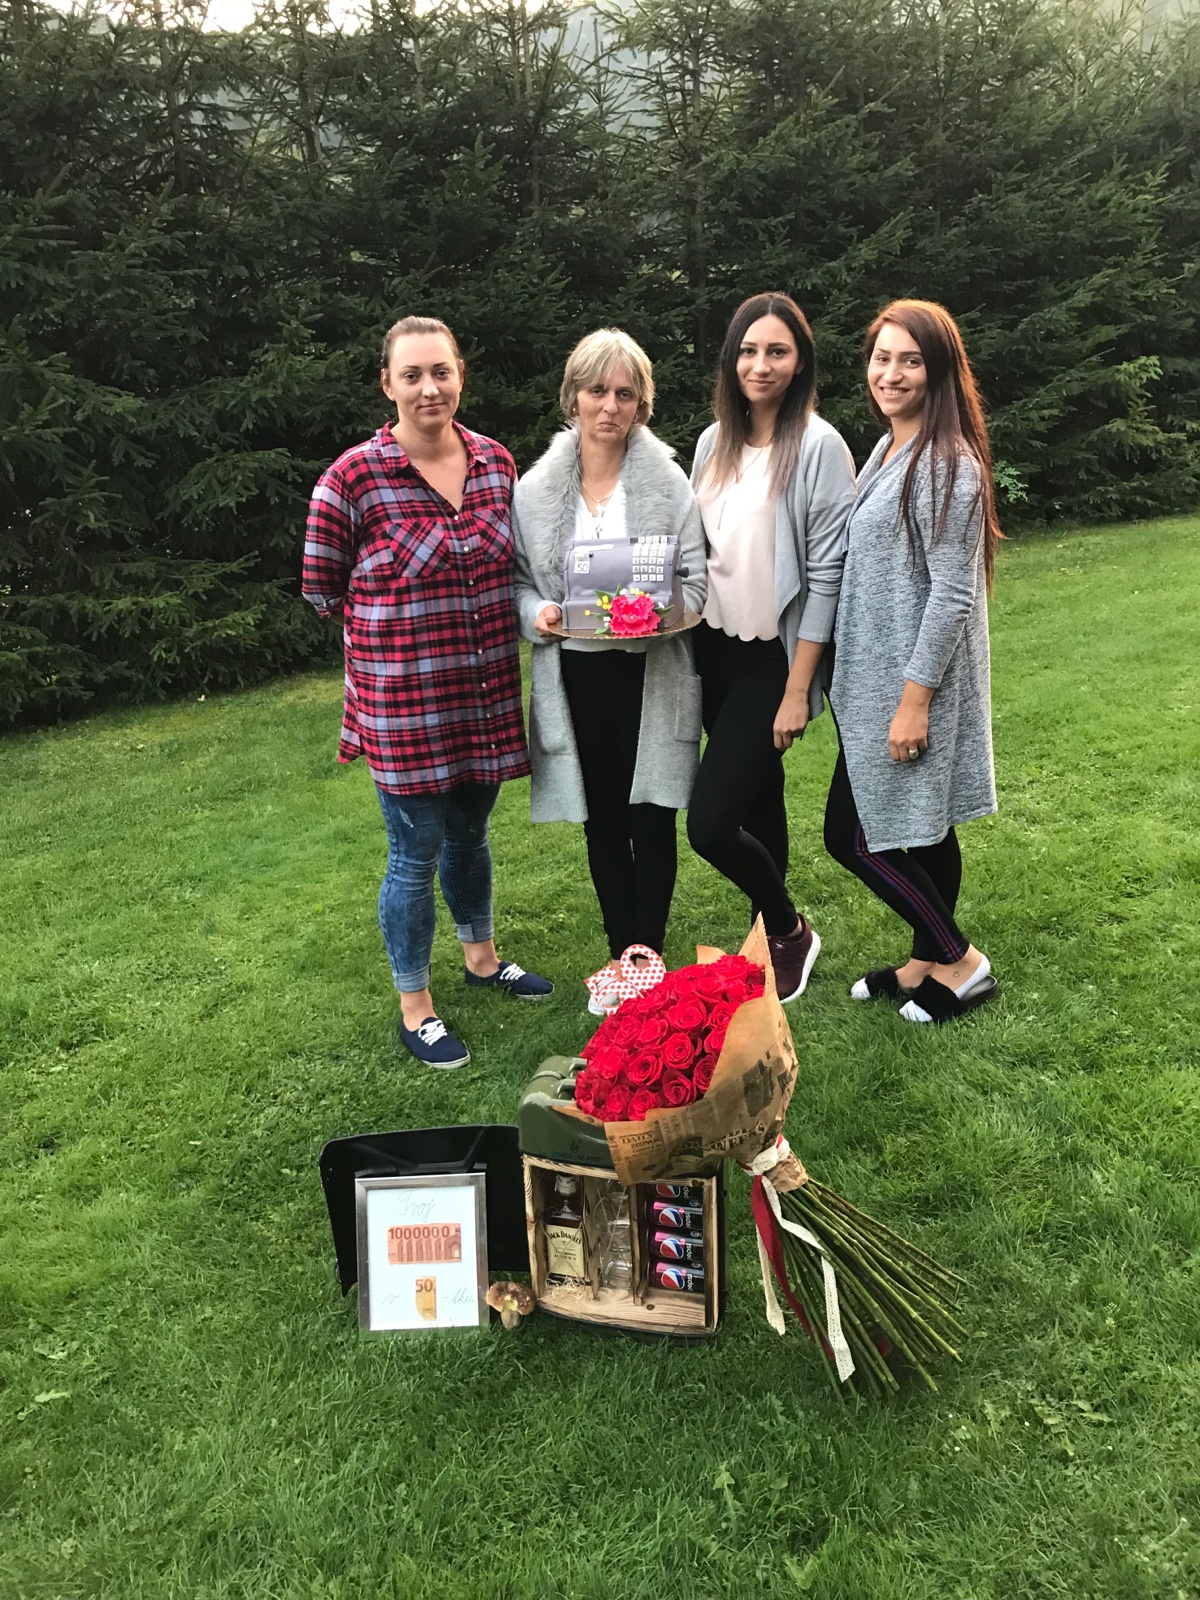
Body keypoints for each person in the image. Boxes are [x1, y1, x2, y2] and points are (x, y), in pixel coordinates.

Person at [302, 315, 552, 1070]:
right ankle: (417, 1006)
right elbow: (322, 590)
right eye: (411, 375)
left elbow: (515, 567)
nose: (428, 388)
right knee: (414, 852)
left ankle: (482, 959)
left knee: (471, 836)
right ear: (388, 384)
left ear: (460, 375)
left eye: (440, 371)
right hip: (404, 708)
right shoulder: (352, 478)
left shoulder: (497, 464)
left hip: (484, 697)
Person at [512, 328, 706, 1011]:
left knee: (650, 814)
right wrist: (538, 612)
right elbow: (518, 584)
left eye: (625, 393)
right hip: (577, 676)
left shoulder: (668, 483)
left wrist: (660, 612)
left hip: (651, 674)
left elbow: (696, 582)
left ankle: (646, 955)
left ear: (641, 404)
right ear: (573, 396)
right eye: (597, 390)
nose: (610, 406)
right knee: (602, 819)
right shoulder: (534, 492)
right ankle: (619, 949)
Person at [824, 298, 1001, 1024]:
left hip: (911, 682)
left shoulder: (947, 463)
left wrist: (914, 700)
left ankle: (961, 961)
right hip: (875, 678)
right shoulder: (891, 448)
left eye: (910, 360)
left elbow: (954, 590)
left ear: (939, 372)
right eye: (882, 358)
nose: (890, 374)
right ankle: (926, 960)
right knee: (924, 827)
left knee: (855, 837)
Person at [688, 292, 856, 1002]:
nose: (761, 365)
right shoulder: (711, 443)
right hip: (710, 652)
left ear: (800, 362)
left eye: (777, 351)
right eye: (749, 351)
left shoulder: (819, 447)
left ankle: (789, 930)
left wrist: (796, 689)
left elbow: (828, 578)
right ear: (731, 360)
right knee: (759, 801)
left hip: (772, 661)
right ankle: (766, 932)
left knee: (709, 824)